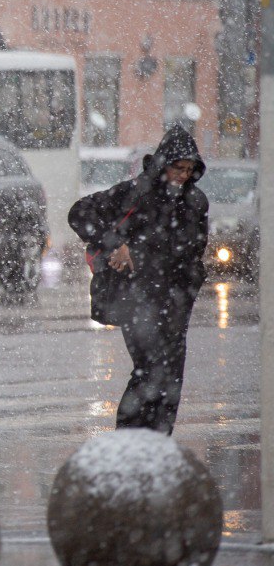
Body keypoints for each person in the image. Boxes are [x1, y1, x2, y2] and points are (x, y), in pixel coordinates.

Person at [68, 124, 208, 435]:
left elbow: (193, 252)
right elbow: (80, 213)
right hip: (137, 299)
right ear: (162, 164)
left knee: (172, 377)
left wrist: (188, 283)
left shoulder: (196, 203)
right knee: (149, 372)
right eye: (178, 167)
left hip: (176, 302)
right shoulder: (135, 193)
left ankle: (159, 442)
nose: (183, 175)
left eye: (189, 169)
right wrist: (115, 244)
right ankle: (129, 441)